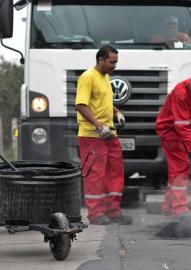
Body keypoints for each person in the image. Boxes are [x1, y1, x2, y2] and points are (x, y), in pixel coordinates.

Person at [75, 45, 131, 225]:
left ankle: (113, 211)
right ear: (100, 60)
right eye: (112, 62)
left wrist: (116, 112)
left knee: (115, 171)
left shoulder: (106, 77)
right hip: (92, 135)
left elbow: (103, 102)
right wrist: (98, 125)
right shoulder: (88, 77)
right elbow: (81, 105)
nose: (115, 65)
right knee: (95, 174)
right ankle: (96, 213)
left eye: (116, 62)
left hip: (108, 134)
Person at [155, 66, 191, 218]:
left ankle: (168, 207)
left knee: (177, 169)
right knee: (181, 167)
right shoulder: (181, 92)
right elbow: (182, 129)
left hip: (182, 129)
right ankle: (179, 209)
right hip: (169, 130)